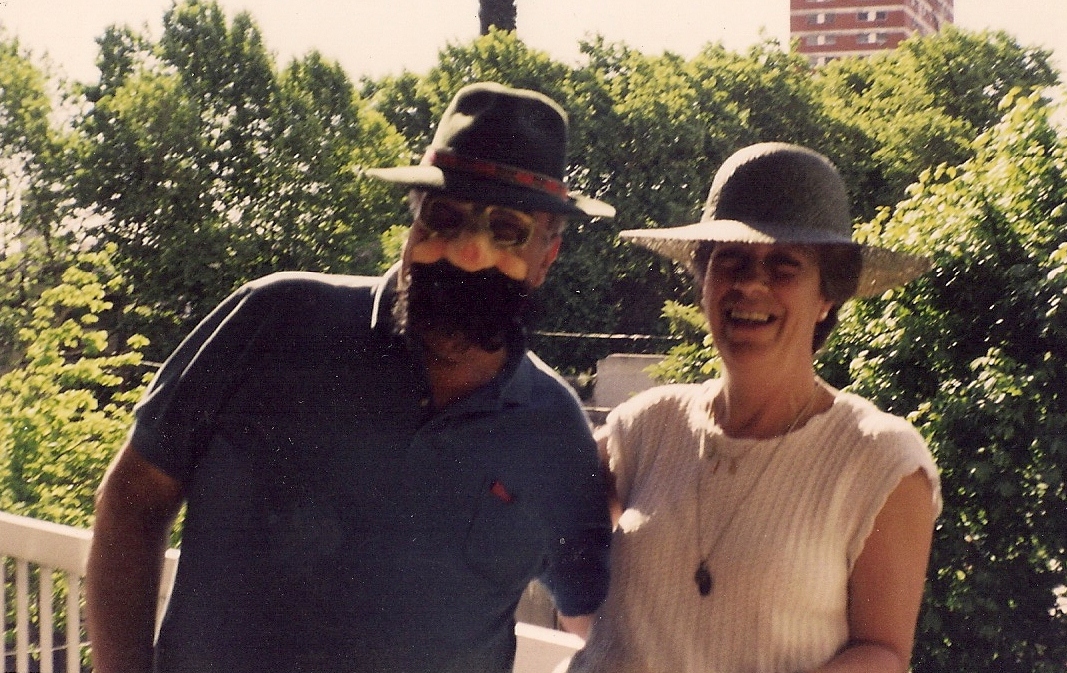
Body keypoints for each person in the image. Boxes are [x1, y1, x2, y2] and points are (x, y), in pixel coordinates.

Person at [85, 82, 615, 673]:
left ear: (546, 256)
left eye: (507, 230)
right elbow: (133, 499)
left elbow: (608, 619)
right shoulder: (275, 320)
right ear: (412, 222)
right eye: (445, 218)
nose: (468, 252)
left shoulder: (556, 431)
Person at [565, 142, 941, 673]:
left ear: (827, 297)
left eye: (784, 266)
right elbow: (570, 581)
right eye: (730, 261)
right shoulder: (643, 426)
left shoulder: (881, 459)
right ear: (704, 282)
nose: (749, 283)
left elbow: (882, 653)